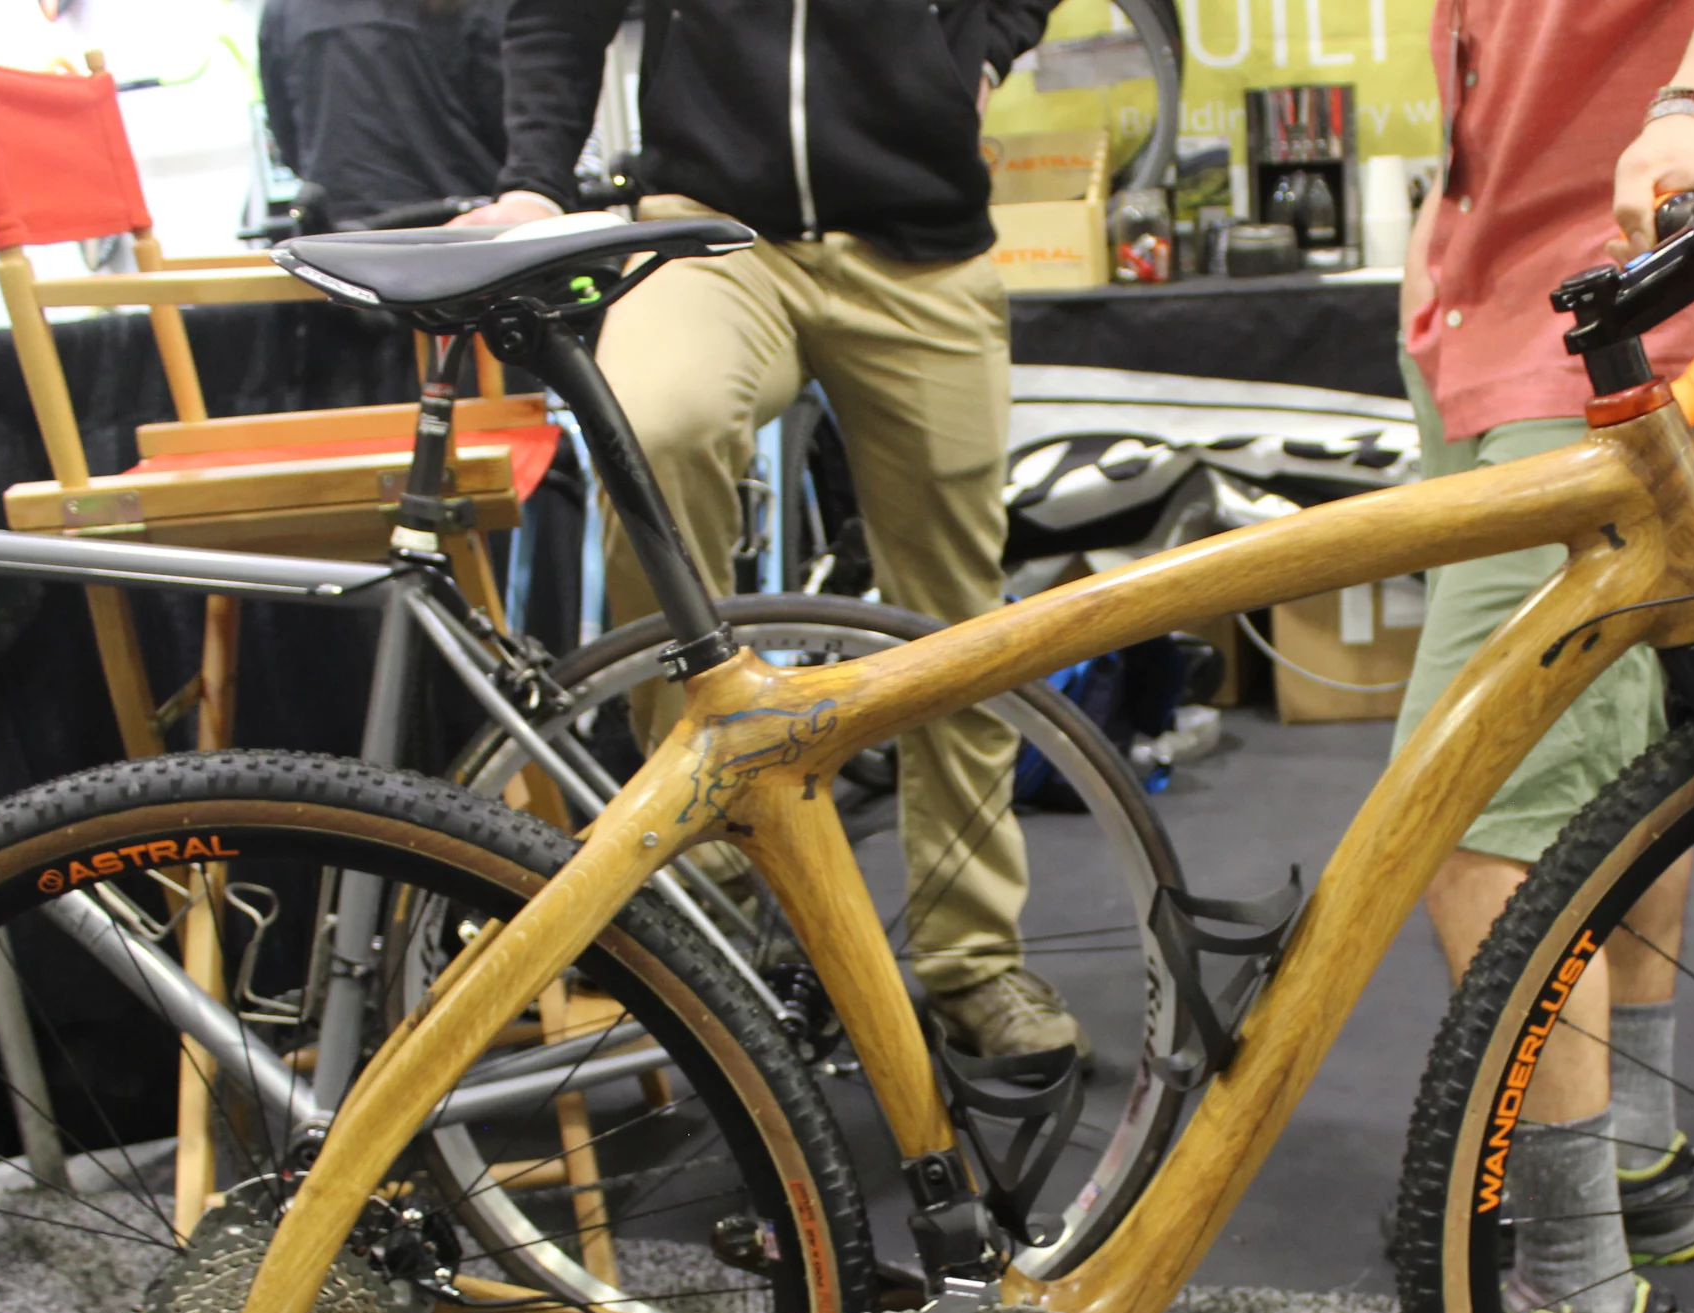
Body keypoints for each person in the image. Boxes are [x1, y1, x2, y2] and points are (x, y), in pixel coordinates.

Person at [1313, 0, 1694, 1313]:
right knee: (1609, 760)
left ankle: (1579, 1310)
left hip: (1631, 277)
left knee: (1475, 804)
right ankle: (1632, 1160)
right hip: (1498, 289)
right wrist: (1449, 229)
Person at [451, 0, 1090, 1062]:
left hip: (920, 243)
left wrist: (978, 51)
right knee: (655, 431)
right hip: (707, 231)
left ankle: (973, 958)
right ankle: (704, 872)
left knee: (952, 615)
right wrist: (534, 182)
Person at [259, 0, 511, 229]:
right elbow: (516, 133)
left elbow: (288, 138)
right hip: (466, 230)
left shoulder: (285, 9)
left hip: (339, 238)